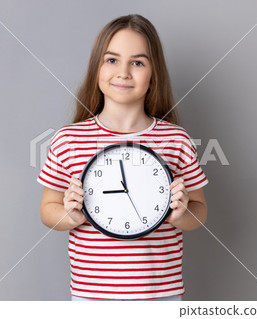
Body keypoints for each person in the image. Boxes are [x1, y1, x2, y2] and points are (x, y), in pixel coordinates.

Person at [37, 14, 209, 301]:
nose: (124, 72)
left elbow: (200, 211)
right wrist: (68, 214)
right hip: (92, 295)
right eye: (112, 60)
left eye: (138, 62)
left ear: (154, 76)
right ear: (97, 69)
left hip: (160, 295)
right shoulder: (68, 140)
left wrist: (182, 214)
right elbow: (47, 210)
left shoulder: (175, 140)